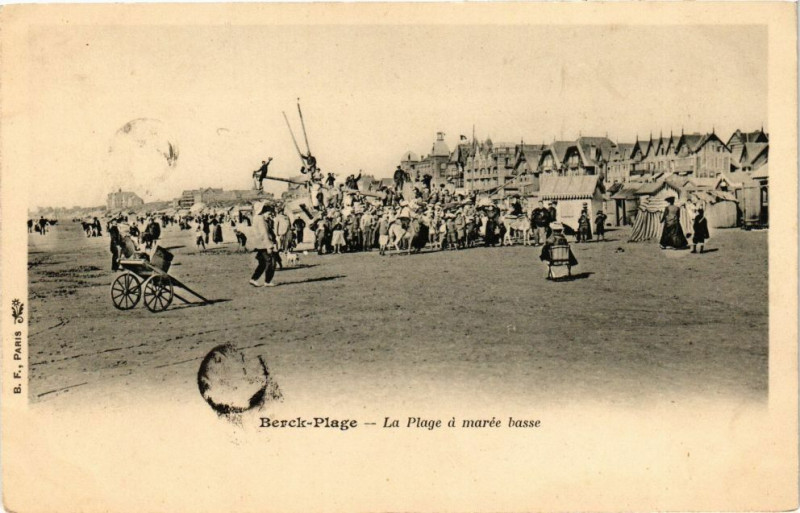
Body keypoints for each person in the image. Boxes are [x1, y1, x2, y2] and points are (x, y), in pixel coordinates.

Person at [249, 202, 278, 287]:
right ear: (263, 211)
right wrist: (269, 246)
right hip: (264, 244)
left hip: (259, 244)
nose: (269, 215)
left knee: (262, 263)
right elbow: (264, 233)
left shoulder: (256, 218)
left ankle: (254, 279)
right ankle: (267, 281)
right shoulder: (260, 219)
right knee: (271, 262)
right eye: (269, 213)